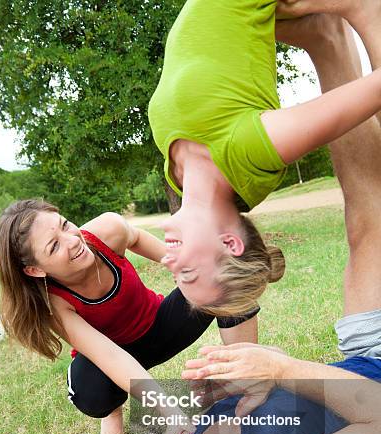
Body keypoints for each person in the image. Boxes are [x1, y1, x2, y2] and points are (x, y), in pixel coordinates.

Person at [59, 12, 381, 434]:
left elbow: (287, 407)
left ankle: (331, 43)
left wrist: (230, 388)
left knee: (367, 220)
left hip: (364, 356)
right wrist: (281, 369)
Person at [151, 0, 381, 317]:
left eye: (176, 277)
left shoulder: (177, 173)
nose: (167, 262)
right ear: (230, 244)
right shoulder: (249, 154)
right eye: (187, 273)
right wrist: (365, 11)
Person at [0, 200, 258, 434]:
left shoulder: (107, 230)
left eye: (64, 224)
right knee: (91, 395)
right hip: (109, 357)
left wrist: (185, 268)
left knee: (221, 274)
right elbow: (110, 356)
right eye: (53, 247)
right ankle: (112, 413)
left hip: (157, 326)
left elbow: (138, 238)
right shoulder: (54, 305)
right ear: (35, 270)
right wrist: (171, 412)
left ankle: (246, 377)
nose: (73, 241)